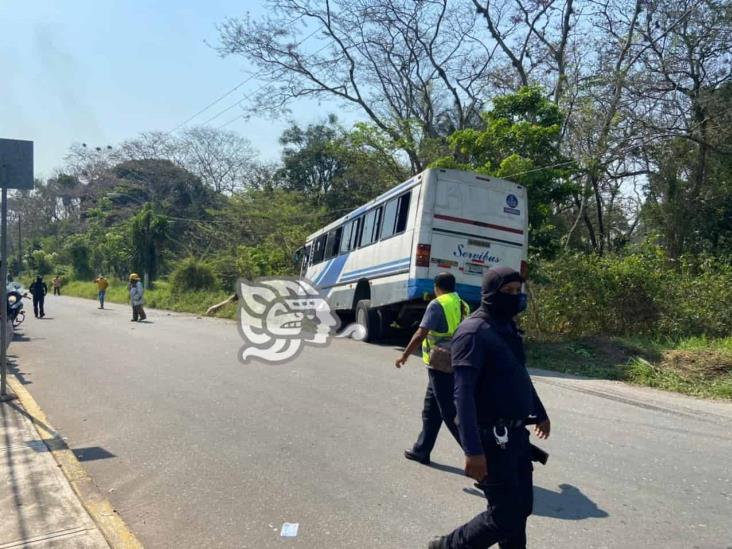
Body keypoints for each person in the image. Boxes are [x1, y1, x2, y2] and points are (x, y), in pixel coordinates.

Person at [428, 266, 551, 549]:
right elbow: (463, 395)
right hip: (492, 440)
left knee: (520, 510)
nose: (514, 297)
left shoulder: (506, 328)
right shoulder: (473, 332)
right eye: (507, 292)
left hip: (517, 435)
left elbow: (518, 373)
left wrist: (539, 412)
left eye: (517, 291)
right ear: (490, 294)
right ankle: (447, 546)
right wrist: (472, 450)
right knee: (505, 514)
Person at [395, 272, 470, 465]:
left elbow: (421, 333)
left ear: (437, 286)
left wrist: (404, 355)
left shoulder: (437, 304)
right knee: (431, 410)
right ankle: (421, 450)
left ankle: (479, 458)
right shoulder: (463, 304)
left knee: (449, 413)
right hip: (454, 360)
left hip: (440, 363)